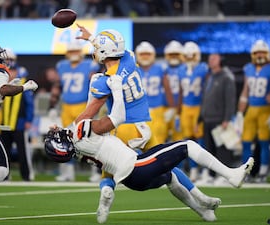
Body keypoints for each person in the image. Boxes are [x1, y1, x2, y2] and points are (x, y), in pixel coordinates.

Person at [44, 74, 254, 223]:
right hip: (137, 167)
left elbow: (77, 127)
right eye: (55, 136)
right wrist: (116, 89)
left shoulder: (77, 148)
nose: (55, 133)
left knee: (171, 177)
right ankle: (230, 175)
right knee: (187, 145)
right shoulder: (81, 129)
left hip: (130, 180)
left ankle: (203, 210)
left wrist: (63, 129)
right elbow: (116, 118)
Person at [75, 25, 222, 224]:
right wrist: (92, 38)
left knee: (108, 173)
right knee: (168, 166)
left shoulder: (103, 81)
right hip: (144, 126)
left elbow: (89, 112)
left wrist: (71, 128)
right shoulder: (129, 59)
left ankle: (107, 193)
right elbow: (113, 50)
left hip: (123, 128)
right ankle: (201, 205)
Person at [0, 43, 38, 185]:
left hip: (9, 123)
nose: (3, 59)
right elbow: (3, 90)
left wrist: (12, 85)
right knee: (2, 168)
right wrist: (24, 87)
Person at [54, 41, 100, 182]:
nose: (74, 54)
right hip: (66, 107)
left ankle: (97, 171)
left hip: (83, 107)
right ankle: (68, 172)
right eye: (71, 51)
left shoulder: (89, 65)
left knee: (90, 139)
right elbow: (58, 86)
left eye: (76, 51)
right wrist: (53, 106)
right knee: (66, 140)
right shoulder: (61, 66)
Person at [235, 40, 270, 182]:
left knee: (264, 142)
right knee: (246, 141)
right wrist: (240, 112)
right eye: (257, 52)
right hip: (251, 109)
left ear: (267, 54)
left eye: (262, 52)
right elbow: (245, 90)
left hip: (265, 109)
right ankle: (245, 172)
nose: (259, 55)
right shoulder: (248, 68)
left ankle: (263, 173)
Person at [196, 53, 237, 185]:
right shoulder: (210, 77)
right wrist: (200, 119)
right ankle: (211, 174)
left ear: (221, 60)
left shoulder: (227, 77)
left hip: (219, 119)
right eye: (210, 58)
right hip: (208, 118)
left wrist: (227, 119)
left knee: (222, 149)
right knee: (210, 149)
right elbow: (205, 99)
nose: (210, 60)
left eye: (214, 58)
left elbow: (230, 100)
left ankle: (224, 175)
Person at [179, 41, 208, 181]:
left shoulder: (203, 68)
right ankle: (194, 170)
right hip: (185, 107)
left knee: (201, 140)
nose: (190, 59)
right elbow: (180, 91)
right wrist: (178, 111)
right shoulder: (181, 70)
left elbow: (207, 90)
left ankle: (205, 170)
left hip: (198, 107)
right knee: (187, 140)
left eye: (192, 56)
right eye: (188, 56)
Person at [135, 41, 174, 143]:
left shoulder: (160, 68)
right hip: (140, 111)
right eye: (142, 54)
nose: (145, 57)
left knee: (158, 141)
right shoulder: (134, 69)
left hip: (157, 110)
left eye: (147, 54)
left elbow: (167, 88)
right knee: (139, 141)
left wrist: (172, 107)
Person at [162, 40, 184, 142]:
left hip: (181, 109)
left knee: (179, 138)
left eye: (176, 54)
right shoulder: (162, 69)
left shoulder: (185, 69)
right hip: (165, 108)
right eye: (172, 54)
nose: (174, 57)